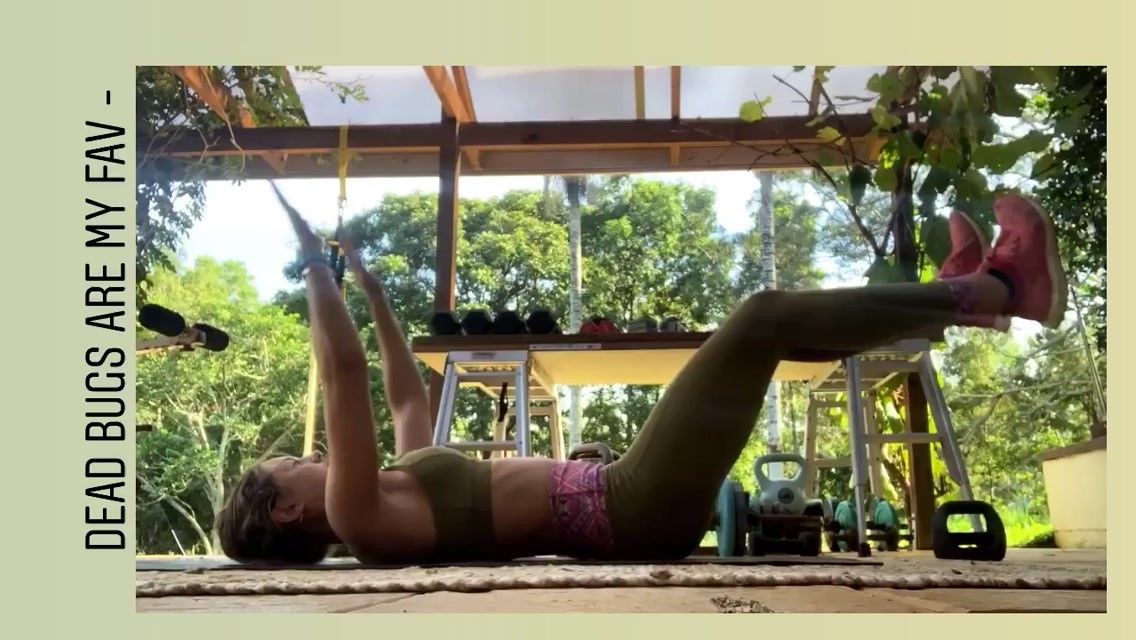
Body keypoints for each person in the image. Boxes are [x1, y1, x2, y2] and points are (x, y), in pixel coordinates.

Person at [216, 186, 1067, 564]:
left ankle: (953, 301)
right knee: (759, 319)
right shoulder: (361, 520)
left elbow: (403, 390)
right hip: (630, 509)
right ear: (288, 509)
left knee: (767, 337)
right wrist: (311, 268)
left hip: (622, 493)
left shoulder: (394, 486)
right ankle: (1001, 290)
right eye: (287, 466)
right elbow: (344, 374)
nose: (304, 457)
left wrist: (365, 283)